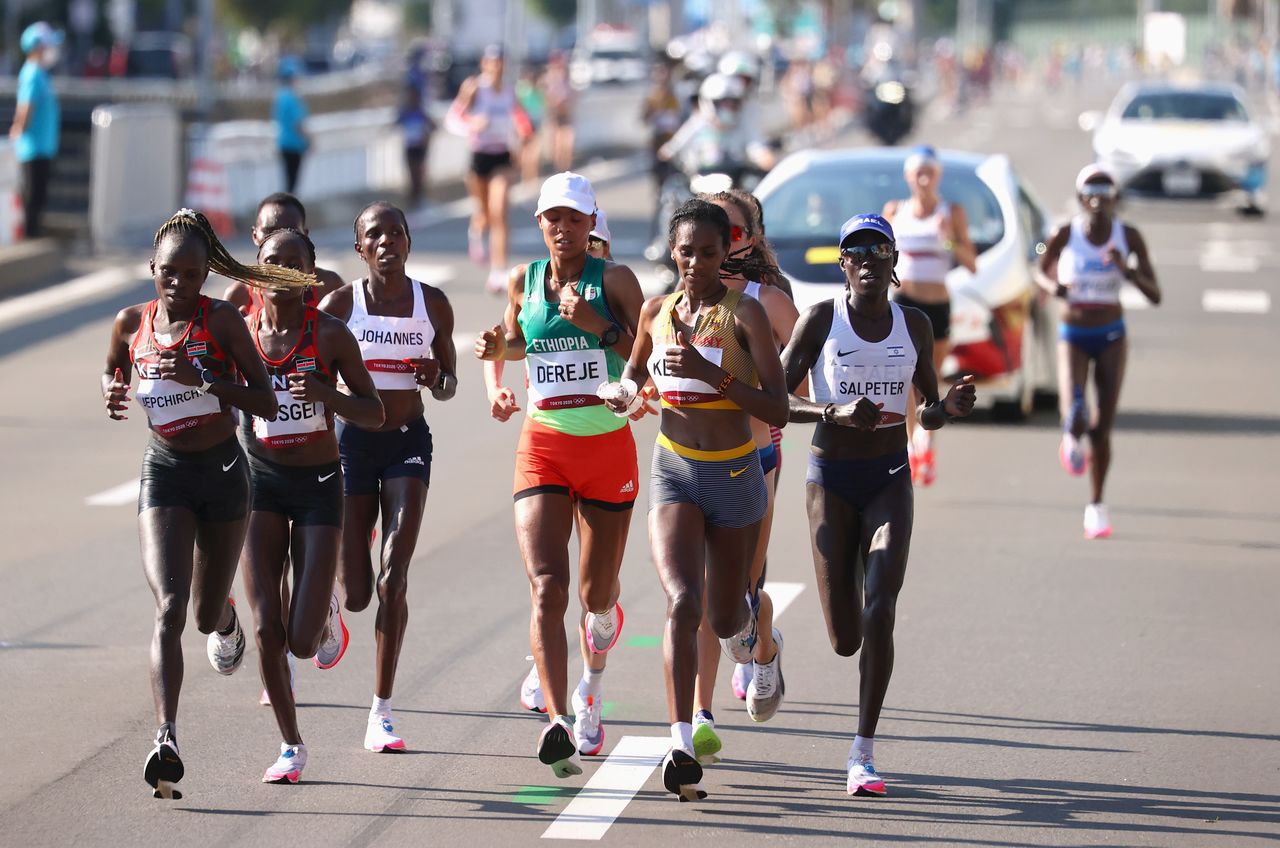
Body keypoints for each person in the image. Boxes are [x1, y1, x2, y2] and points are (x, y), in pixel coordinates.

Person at [100, 208, 313, 798]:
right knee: (169, 608)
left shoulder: (219, 321)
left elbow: (266, 401)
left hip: (222, 474)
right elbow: (114, 370)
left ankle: (224, 621)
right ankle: (165, 736)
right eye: (169, 273)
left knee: (201, 613)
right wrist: (113, 390)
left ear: (203, 276)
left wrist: (202, 379)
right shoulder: (129, 323)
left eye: (191, 275)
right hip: (164, 469)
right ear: (153, 269)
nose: (179, 285)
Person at [779, 213, 976, 797]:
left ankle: (862, 751)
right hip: (830, 481)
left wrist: (951, 410)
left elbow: (930, 409)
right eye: (855, 251)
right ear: (843, 265)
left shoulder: (913, 325)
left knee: (881, 605)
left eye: (878, 250)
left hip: (890, 477)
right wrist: (831, 412)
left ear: (894, 263)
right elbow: (775, 401)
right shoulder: (821, 319)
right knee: (845, 636)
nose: (867, 259)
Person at [603, 198, 789, 801]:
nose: (696, 263)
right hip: (673, 471)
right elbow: (635, 373)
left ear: (725, 253)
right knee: (683, 601)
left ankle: (755, 629)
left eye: (709, 252)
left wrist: (714, 377)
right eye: (687, 251)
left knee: (725, 616)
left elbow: (778, 408)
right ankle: (681, 740)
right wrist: (623, 391)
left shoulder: (747, 315)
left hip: (735, 474)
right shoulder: (656, 311)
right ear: (673, 251)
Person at [475, 174, 646, 776]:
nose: (562, 228)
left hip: (606, 450)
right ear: (540, 223)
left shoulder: (616, 280)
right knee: (547, 585)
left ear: (591, 222)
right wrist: (497, 357)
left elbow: (640, 352)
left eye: (574, 218)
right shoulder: (524, 281)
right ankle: (556, 719)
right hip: (544, 443)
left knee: (595, 597)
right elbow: (517, 342)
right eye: (552, 217)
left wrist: (598, 324)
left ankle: (591, 688)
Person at [240, 229, 384, 783]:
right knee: (265, 625)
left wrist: (327, 396)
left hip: (321, 482)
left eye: (293, 263)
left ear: (310, 273)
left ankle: (322, 611)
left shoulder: (329, 334)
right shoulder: (242, 334)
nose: (281, 271)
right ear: (258, 271)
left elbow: (372, 413)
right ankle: (290, 745)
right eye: (271, 262)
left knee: (300, 641)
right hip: (261, 483)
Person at [319, 202, 457, 752]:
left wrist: (435, 376)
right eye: (374, 235)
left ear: (407, 242)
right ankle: (335, 593)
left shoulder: (433, 304)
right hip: (353, 447)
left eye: (396, 233)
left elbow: (448, 386)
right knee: (356, 594)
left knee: (391, 579)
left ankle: (382, 711)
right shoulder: (339, 306)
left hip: (407, 444)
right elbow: (318, 386)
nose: (387, 242)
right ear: (360, 249)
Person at [688, 189, 800, 765]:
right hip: (687, 461)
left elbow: (801, 387)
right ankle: (699, 716)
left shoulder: (769, 303)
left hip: (755, 456)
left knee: (737, 592)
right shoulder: (678, 301)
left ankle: (764, 643)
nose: (716, 242)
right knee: (702, 594)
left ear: (747, 240)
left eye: (729, 233)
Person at [1035, 165, 1160, 539]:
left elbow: (1156, 294)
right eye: (1091, 195)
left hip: (1111, 335)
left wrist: (1129, 271)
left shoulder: (1129, 236)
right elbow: (1039, 271)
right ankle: (1070, 432)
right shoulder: (1065, 233)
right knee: (1075, 411)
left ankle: (1096, 507)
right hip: (1073, 332)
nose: (1098, 202)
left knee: (1102, 428)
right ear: (1081, 199)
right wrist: (1055, 286)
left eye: (1105, 195)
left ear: (1115, 200)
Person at [881, 145, 976, 487]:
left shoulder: (951, 212)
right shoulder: (895, 210)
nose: (923, 179)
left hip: (937, 305)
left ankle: (927, 441)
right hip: (905, 302)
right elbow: (882, 254)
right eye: (918, 173)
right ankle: (908, 447)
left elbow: (971, 263)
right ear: (908, 177)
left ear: (938, 176)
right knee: (905, 377)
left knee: (930, 377)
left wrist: (948, 240)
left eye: (930, 173)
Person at [446, 45, 533, 294]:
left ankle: (498, 271)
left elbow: (519, 115)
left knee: (499, 212)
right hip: (479, 157)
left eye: (500, 62)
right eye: (492, 62)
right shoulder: (474, 88)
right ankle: (476, 231)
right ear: (484, 64)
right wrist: (472, 124)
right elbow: (453, 118)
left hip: (502, 157)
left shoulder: (508, 91)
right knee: (484, 213)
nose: (496, 67)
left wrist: (524, 132)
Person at [223, 193, 344, 316]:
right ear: (255, 235)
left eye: (290, 231)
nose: (280, 240)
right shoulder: (239, 296)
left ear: (305, 235)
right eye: (270, 232)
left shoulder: (328, 286)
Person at [659, 73, 776, 179]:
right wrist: (667, 153)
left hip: (736, 180)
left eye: (732, 103)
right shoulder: (697, 122)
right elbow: (676, 145)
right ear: (709, 103)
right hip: (701, 180)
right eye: (722, 103)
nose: (728, 109)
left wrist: (764, 157)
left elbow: (755, 146)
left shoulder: (742, 124)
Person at [8, 22, 62, 238]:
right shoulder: (32, 73)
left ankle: (33, 232)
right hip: (33, 146)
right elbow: (25, 107)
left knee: (39, 193)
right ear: (38, 47)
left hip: (42, 146)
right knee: (32, 194)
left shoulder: (40, 74)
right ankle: (30, 235)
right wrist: (18, 131)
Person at [273, 59, 309, 194]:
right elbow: (297, 123)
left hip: (283, 143)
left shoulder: (280, 96)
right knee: (292, 183)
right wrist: (309, 139)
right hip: (294, 144)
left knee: (287, 181)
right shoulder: (292, 97)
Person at [398, 82, 434, 207]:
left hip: (420, 147)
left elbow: (433, 126)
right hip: (409, 147)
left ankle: (418, 198)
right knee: (411, 174)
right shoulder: (404, 112)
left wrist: (426, 136)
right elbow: (396, 124)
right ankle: (413, 199)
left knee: (419, 174)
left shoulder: (421, 111)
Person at [541, 52, 576, 173]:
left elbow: (572, 96)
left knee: (567, 144)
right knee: (557, 146)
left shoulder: (566, 79)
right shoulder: (548, 79)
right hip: (554, 117)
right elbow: (544, 99)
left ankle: (566, 169)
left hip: (565, 117)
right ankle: (559, 169)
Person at [516, 65, 547, 184]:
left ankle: (528, 176)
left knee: (528, 151)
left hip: (526, 123)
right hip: (528, 123)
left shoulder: (523, 89)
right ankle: (531, 175)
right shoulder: (530, 90)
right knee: (531, 151)